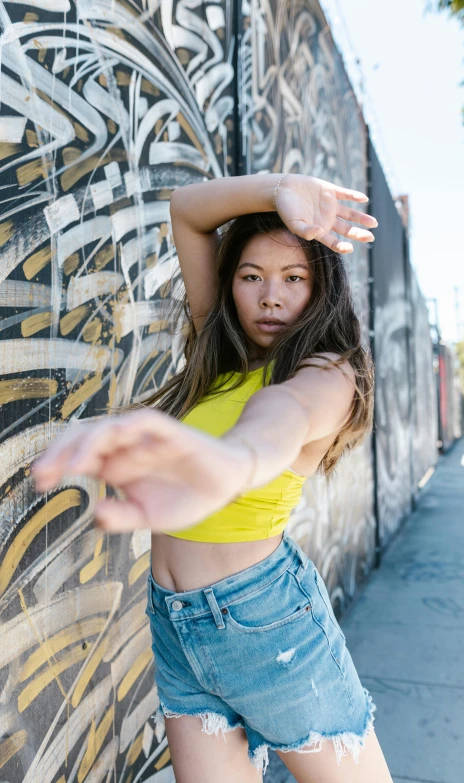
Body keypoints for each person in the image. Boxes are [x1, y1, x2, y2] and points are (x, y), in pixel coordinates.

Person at [32, 173, 393, 782]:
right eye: (251, 276)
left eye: (294, 278)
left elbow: (280, 419)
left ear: (323, 289)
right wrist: (279, 192)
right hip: (174, 622)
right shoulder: (218, 353)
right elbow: (188, 210)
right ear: (230, 285)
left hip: (268, 625)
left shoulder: (329, 373)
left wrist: (229, 464)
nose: (270, 297)